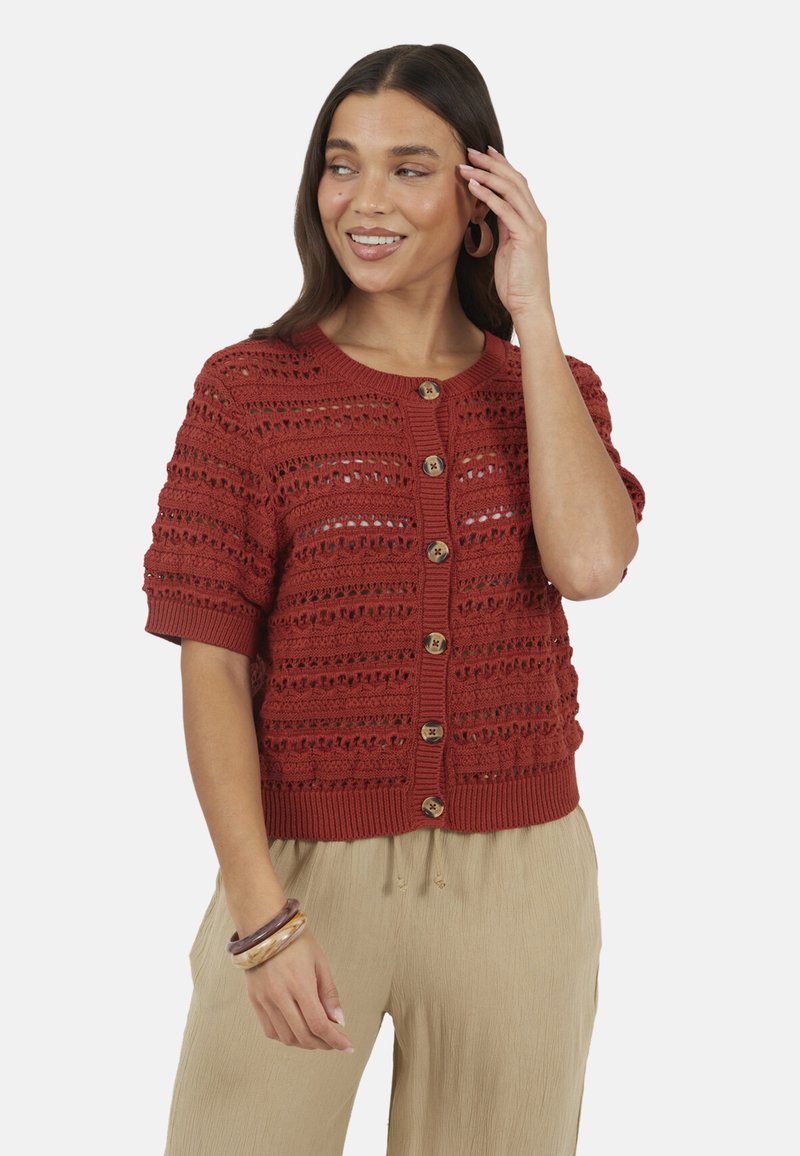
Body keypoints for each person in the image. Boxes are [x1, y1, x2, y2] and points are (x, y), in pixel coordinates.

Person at [142, 42, 645, 1156]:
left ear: (480, 199)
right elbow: (210, 661)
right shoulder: (250, 392)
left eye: (409, 169)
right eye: (341, 164)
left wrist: (534, 311)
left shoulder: (551, 390)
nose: (363, 200)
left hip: (521, 878)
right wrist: (260, 913)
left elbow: (591, 565)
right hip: (302, 873)